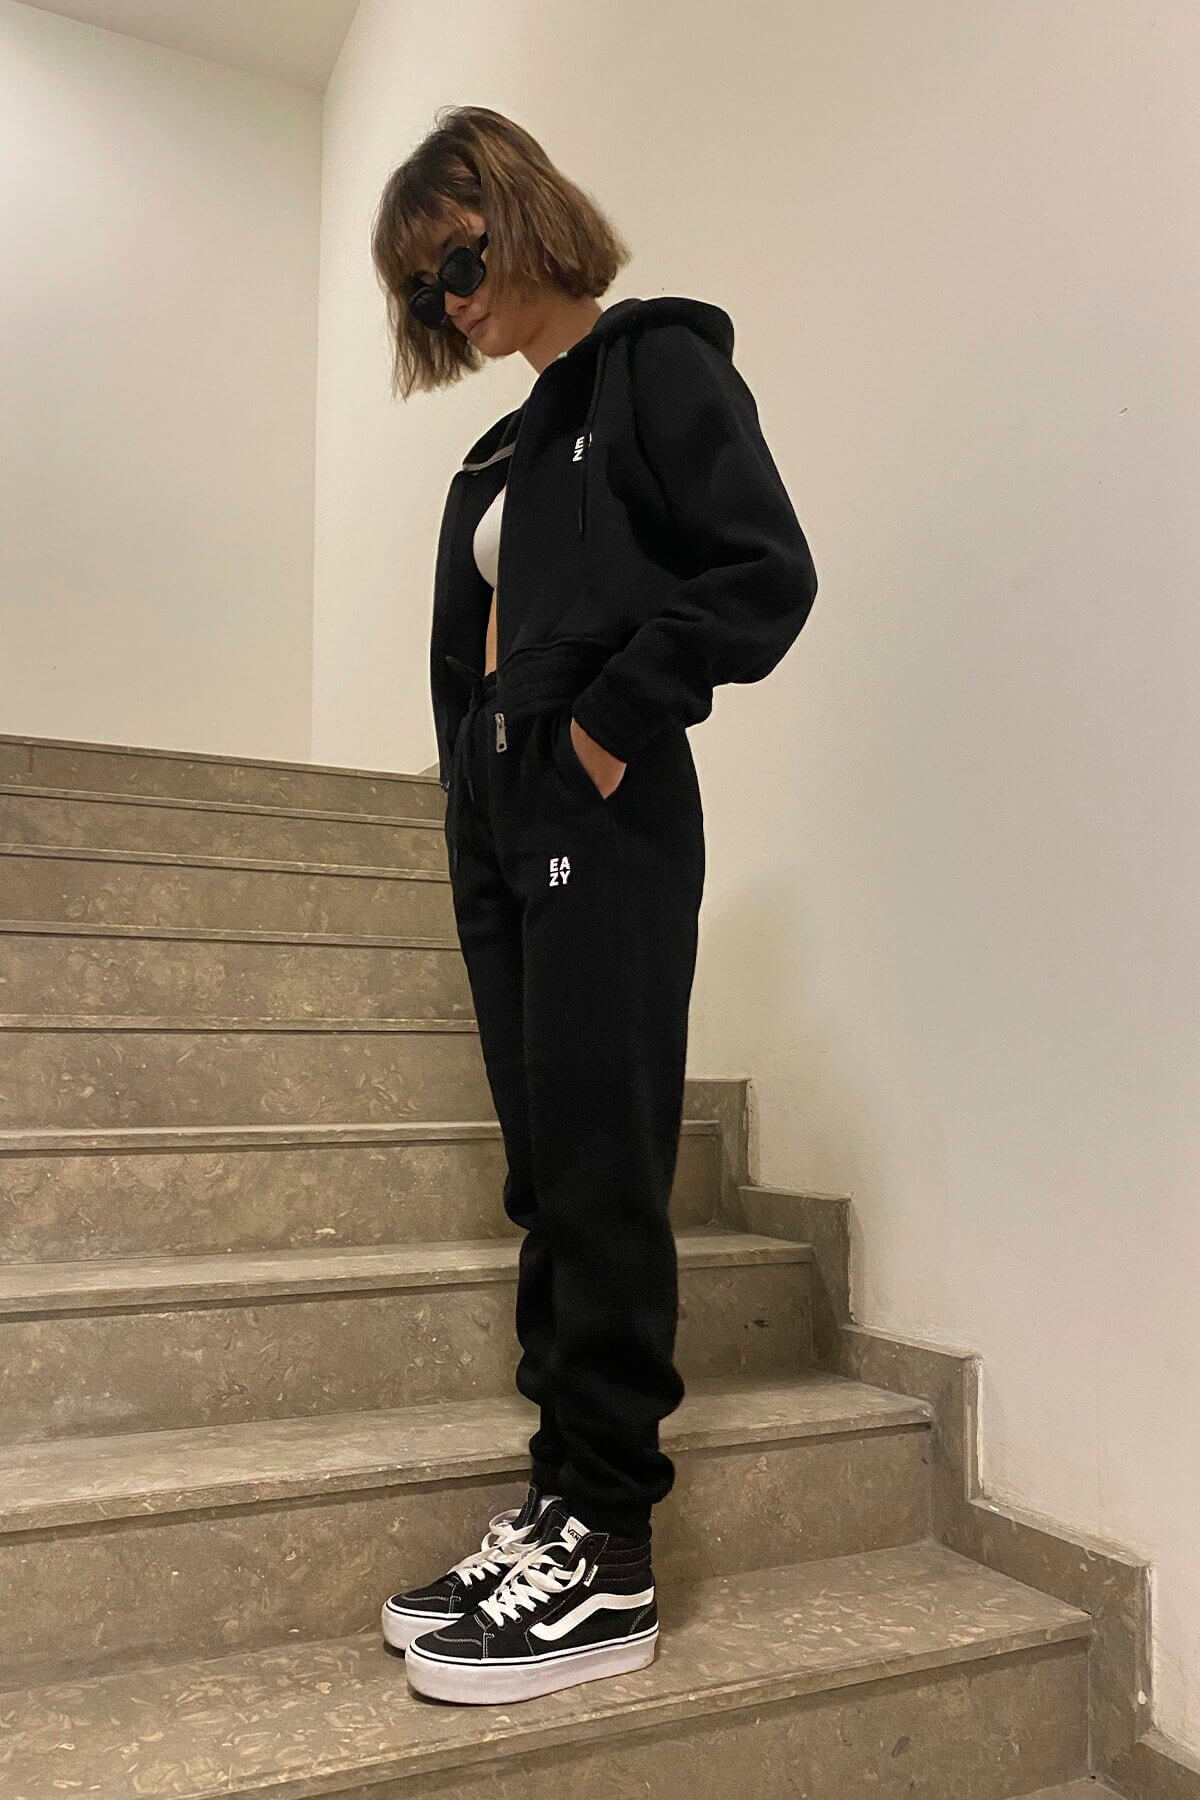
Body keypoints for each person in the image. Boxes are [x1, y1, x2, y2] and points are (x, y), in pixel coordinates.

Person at [371, 105, 818, 1707]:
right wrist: (479, 791)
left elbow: (763, 571)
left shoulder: (656, 367)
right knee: (545, 1176)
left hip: (601, 809)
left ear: (524, 211)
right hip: (499, 822)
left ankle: (612, 1554)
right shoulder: (499, 449)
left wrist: (606, 730)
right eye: (425, 291)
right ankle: (559, 1500)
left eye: (460, 260)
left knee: (604, 1169)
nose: (453, 303)